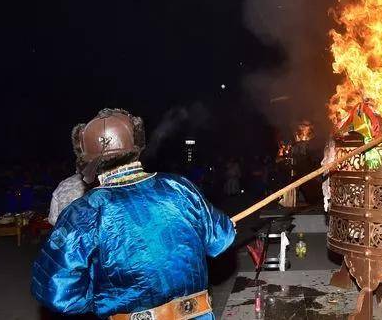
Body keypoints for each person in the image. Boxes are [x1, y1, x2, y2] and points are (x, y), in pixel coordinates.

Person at [31, 108, 235, 319]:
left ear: (87, 161)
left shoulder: (82, 212)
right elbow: (222, 237)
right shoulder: (179, 187)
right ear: (135, 147)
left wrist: (102, 291)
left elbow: (56, 291)